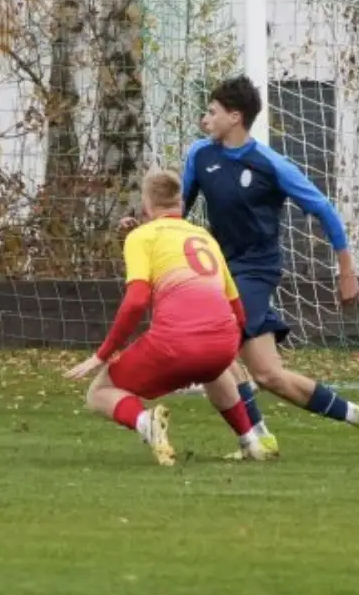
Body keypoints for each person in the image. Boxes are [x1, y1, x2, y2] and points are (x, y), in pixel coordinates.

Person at [175, 76, 359, 457]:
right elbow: (179, 211)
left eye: (212, 112)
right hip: (221, 269)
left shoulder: (271, 165)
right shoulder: (200, 155)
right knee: (267, 374)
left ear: (235, 117)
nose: (205, 119)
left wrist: (346, 271)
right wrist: (145, 226)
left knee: (211, 347)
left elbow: (325, 211)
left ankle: (255, 437)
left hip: (257, 270)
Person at [65, 168, 269, 465]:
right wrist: (227, 348)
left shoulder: (141, 237)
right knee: (215, 370)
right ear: (181, 204)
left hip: (176, 343)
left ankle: (145, 422)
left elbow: (135, 302)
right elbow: (236, 308)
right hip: (222, 340)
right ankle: (251, 440)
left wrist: (103, 354)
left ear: (146, 204)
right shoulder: (203, 236)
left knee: (100, 391)